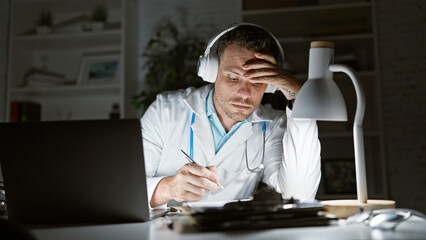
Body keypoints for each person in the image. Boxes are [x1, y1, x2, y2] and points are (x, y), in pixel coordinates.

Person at [142, 24, 321, 208]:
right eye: (233, 78)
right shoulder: (165, 111)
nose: (244, 93)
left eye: (258, 81)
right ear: (211, 72)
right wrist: (169, 188)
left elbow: (300, 196)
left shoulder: (272, 126)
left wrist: (299, 98)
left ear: (271, 85)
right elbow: (124, 189)